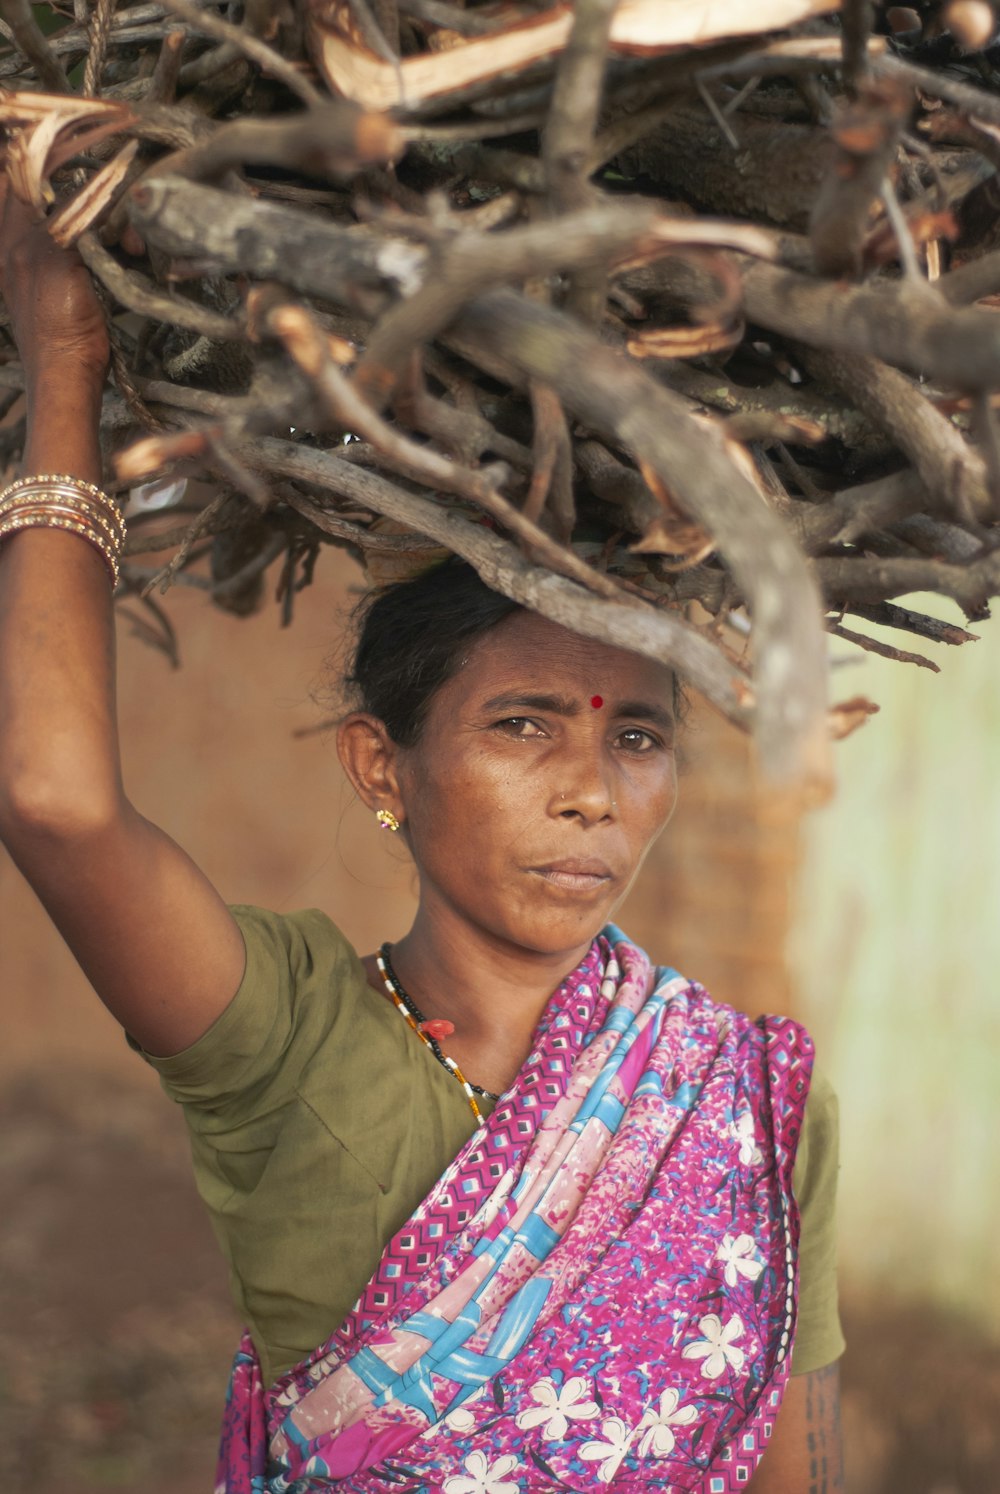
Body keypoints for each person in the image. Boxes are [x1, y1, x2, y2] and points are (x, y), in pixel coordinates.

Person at [0, 176, 844, 1493]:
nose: (592, 789)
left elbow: (789, 1471)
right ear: (379, 763)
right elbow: (56, 803)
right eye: (522, 725)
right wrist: (67, 367)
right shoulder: (285, 1035)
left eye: (636, 734)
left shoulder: (745, 1101)